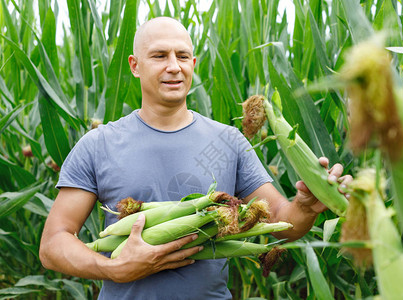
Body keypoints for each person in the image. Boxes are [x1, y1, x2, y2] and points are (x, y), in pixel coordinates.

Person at [39, 17, 351, 299]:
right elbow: (53, 245)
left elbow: (282, 223)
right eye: (160, 56)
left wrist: (306, 206)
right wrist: (114, 269)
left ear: (193, 62)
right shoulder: (99, 144)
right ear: (134, 65)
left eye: (182, 56)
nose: (174, 66)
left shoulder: (229, 141)